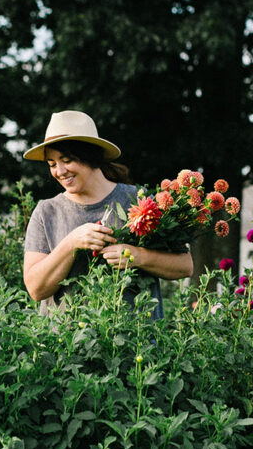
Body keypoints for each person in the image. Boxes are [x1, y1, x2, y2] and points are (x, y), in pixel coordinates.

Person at [22, 110, 193, 316]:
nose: (59, 171)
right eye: (52, 164)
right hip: (67, 345)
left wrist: (136, 256)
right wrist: (71, 243)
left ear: (90, 155)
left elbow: (185, 265)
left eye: (66, 160)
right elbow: (35, 289)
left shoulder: (138, 200)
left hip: (136, 344)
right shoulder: (46, 212)